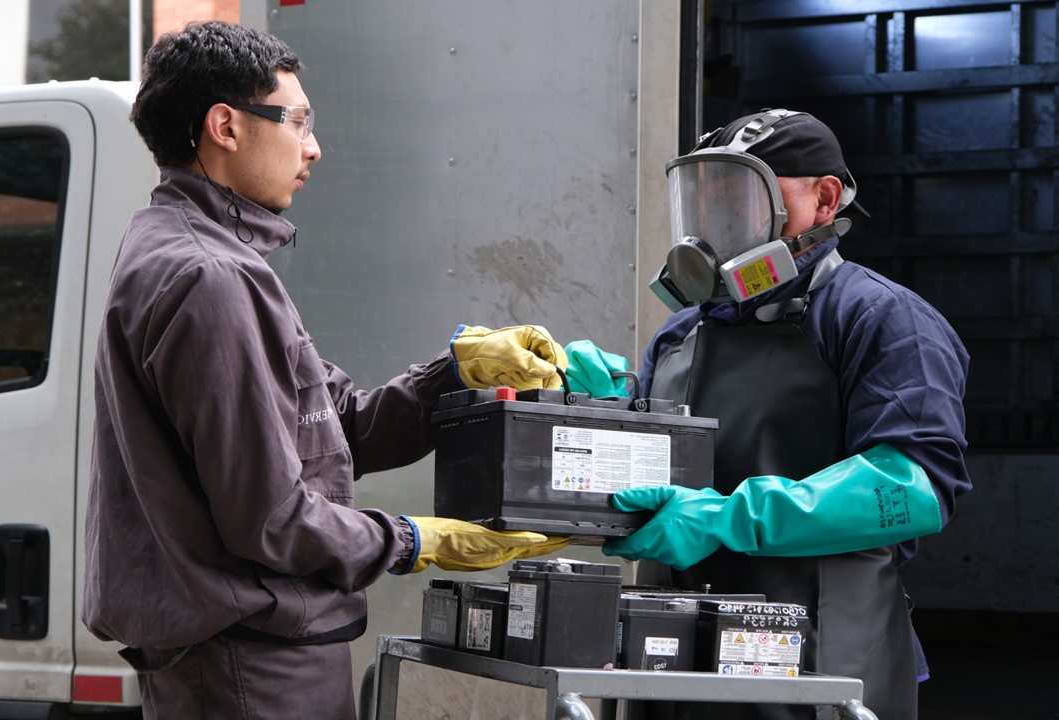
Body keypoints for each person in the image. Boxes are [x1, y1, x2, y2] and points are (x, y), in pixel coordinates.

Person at [82, 21, 568, 720]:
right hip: (251, 668)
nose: (313, 147)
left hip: (241, 657)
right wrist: (415, 540)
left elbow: (335, 430)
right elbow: (272, 519)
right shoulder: (210, 277)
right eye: (297, 121)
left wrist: (452, 375)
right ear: (225, 126)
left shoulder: (194, 252)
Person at [566, 109, 970, 719]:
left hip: (822, 663)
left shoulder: (879, 318)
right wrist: (591, 416)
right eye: (705, 203)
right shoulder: (680, 335)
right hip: (669, 666)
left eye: (740, 199)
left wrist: (731, 517)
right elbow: (644, 482)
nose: (717, 224)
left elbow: (913, 490)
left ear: (825, 200)